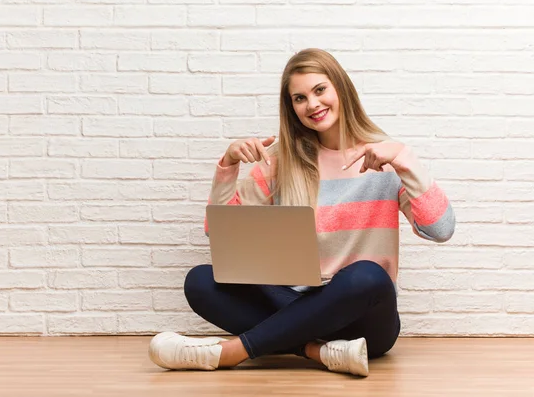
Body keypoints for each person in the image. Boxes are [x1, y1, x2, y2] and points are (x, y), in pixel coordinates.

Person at [148, 48, 455, 376]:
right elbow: (219, 234)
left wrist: (405, 158)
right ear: (291, 107)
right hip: (291, 303)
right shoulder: (279, 161)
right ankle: (317, 352)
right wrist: (228, 167)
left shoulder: (384, 159)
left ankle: (232, 352)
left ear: (340, 88)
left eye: (320, 90)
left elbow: (441, 228)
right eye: (299, 98)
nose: (312, 104)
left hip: (363, 319)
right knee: (200, 280)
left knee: (368, 276)